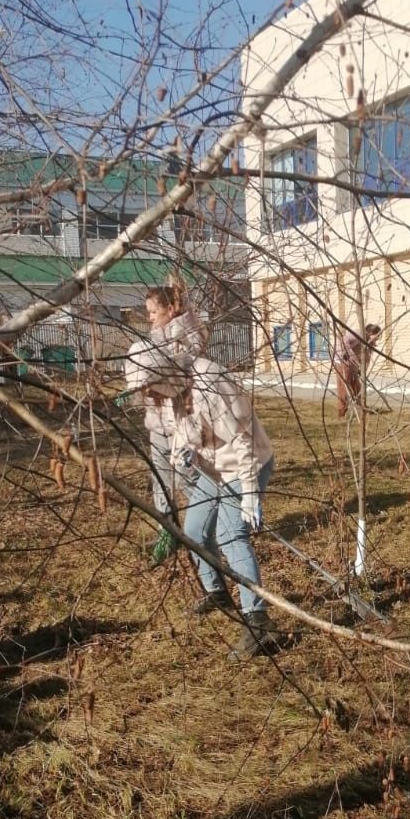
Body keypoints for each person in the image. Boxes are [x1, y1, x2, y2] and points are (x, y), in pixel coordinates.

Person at [167, 354, 281, 660]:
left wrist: (250, 493)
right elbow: (178, 431)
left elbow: (243, 440)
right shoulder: (171, 392)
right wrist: (181, 454)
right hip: (212, 468)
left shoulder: (210, 384)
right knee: (194, 531)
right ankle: (218, 593)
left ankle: (258, 622)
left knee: (232, 537)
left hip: (246, 464)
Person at [121, 282, 206, 565]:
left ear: (171, 309)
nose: (149, 317)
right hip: (157, 426)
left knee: (186, 479)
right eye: (147, 311)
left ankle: (208, 525)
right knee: (160, 481)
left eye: (153, 311)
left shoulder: (186, 336)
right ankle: (167, 534)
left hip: (183, 427)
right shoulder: (150, 341)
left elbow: (184, 363)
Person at [333, 323, 381, 418]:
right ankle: (341, 412)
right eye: (377, 335)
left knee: (357, 386)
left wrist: (363, 371)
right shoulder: (358, 334)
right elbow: (344, 341)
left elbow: (367, 359)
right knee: (344, 387)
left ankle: (363, 409)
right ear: (370, 332)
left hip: (353, 364)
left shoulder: (369, 342)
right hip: (342, 361)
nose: (378, 338)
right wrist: (351, 356)